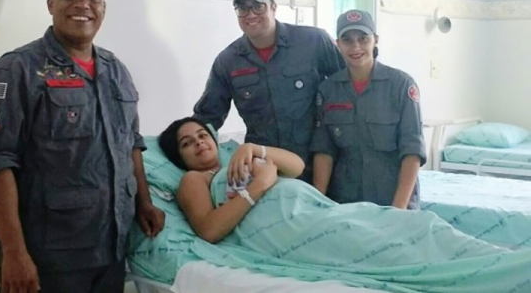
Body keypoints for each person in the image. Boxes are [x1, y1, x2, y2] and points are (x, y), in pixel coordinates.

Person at [155, 117, 531, 293]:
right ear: (181, 157)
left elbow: (297, 167)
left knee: (420, 226)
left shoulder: (237, 155)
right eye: (188, 143)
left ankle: (508, 265)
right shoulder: (196, 180)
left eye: (202, 134)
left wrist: (257, 150)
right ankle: (508, 273)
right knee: (404, 243)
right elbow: (209, 230)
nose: (200, 143)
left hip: (324, 212)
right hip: (299, 232)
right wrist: (259, 188)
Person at [0, 0, 164, 293]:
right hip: (48, 258)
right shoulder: (17, 71)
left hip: (111, 250)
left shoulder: (116, 71)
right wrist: (14, 254)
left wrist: (143, 203)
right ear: (50, 2)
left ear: (104, 6)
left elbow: (130, 144)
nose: (83, 5)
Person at [193, 0, 345, 184]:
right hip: (265, 172)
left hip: (319, 165)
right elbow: (207, 117)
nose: (251, 14)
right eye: (243, 8)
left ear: (273, 6)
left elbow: (347, 88)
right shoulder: (228, 61)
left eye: (258, 6)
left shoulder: (313, 41)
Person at [311, 9, 426, 210]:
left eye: (363, 38)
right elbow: (324, 151)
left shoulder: (401, 85)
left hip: (392, 200)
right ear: (338, 44)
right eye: (347, 40)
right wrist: (318, 204)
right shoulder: (328, 90)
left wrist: (398, 209)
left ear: (375, 40)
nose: (356, 46)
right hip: (345, 201)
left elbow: (412, 152)